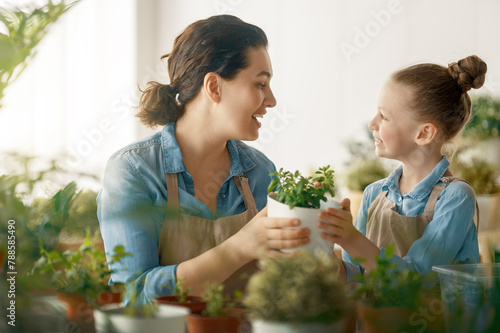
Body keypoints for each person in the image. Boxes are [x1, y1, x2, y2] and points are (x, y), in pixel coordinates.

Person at [97, 15, 311, 304]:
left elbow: (281, 287)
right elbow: (133, 296)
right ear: (214, 87)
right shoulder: (135, 170)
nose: (271, 100)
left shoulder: (261, 172)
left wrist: (322, 238)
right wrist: (238, 248)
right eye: (261, 84)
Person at [317, 55, 487, 281]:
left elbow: (414, 281)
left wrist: (351, 238)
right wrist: (326, 242)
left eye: (384, 116)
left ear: (424, 133)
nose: (372, 124)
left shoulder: (456, 198)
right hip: (372, 318)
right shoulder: (374, 193)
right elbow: (356, 277)